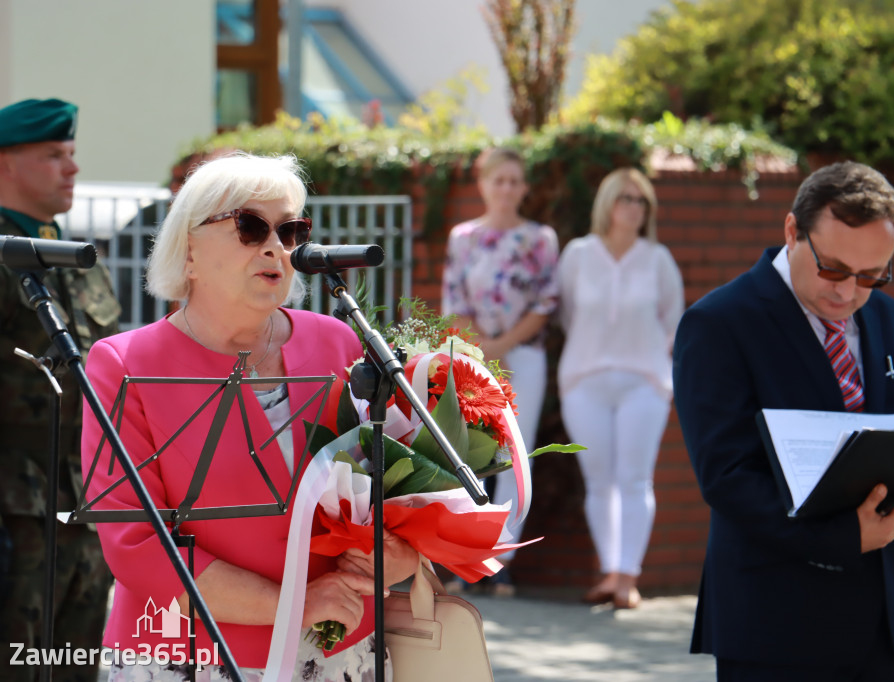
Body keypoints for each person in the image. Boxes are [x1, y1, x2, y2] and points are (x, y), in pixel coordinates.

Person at [81, 152, 419, 680]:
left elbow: (397, 495)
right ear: (189, 249)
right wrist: (293, 604)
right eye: (249, 226)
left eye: (290, 231)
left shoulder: (339, 341)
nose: (274, 247)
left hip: (336, 650)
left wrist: (399, 554)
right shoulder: (124, 364)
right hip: (189, 656)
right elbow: (135, 544)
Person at [673, 161, 894, 681]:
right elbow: (725, 476)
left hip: (891, 624)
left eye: (871, 276)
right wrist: (843, 536)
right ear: (792, 232)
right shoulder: (718, 324)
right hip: (776, 624)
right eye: (834, 269)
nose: (848, 292)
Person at [0, 98, 120, 682]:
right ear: (5, 166)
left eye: (71, 154)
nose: (71, 168)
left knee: (75, 666)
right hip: (13, 507)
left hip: (83, 506)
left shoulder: (78, 257)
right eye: (53, 155)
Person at [557, 168, 684, 610]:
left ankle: (628, 576)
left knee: (633, 478)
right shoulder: (578, 254)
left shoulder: (658, 258)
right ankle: (609, 570)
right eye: (625, 198)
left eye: (641, 200)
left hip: (644, 382)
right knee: (598, 480)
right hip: (584, 380)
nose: (633, 207)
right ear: (607, 203)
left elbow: (673, 321)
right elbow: (569, 313)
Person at [441, 147, 559, 595]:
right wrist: (483, 349)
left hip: (523, 355)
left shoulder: (541, 238)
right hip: (473, 353)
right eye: (499, 180)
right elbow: (454, 300)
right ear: (484, 185)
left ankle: (501, 557)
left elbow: (547, 300)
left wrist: (505, 346)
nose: (506, 188)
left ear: (524, 187)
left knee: (514, 453)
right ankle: (463, 555)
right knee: (471, 449)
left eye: (514, 181)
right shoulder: (463, 237)